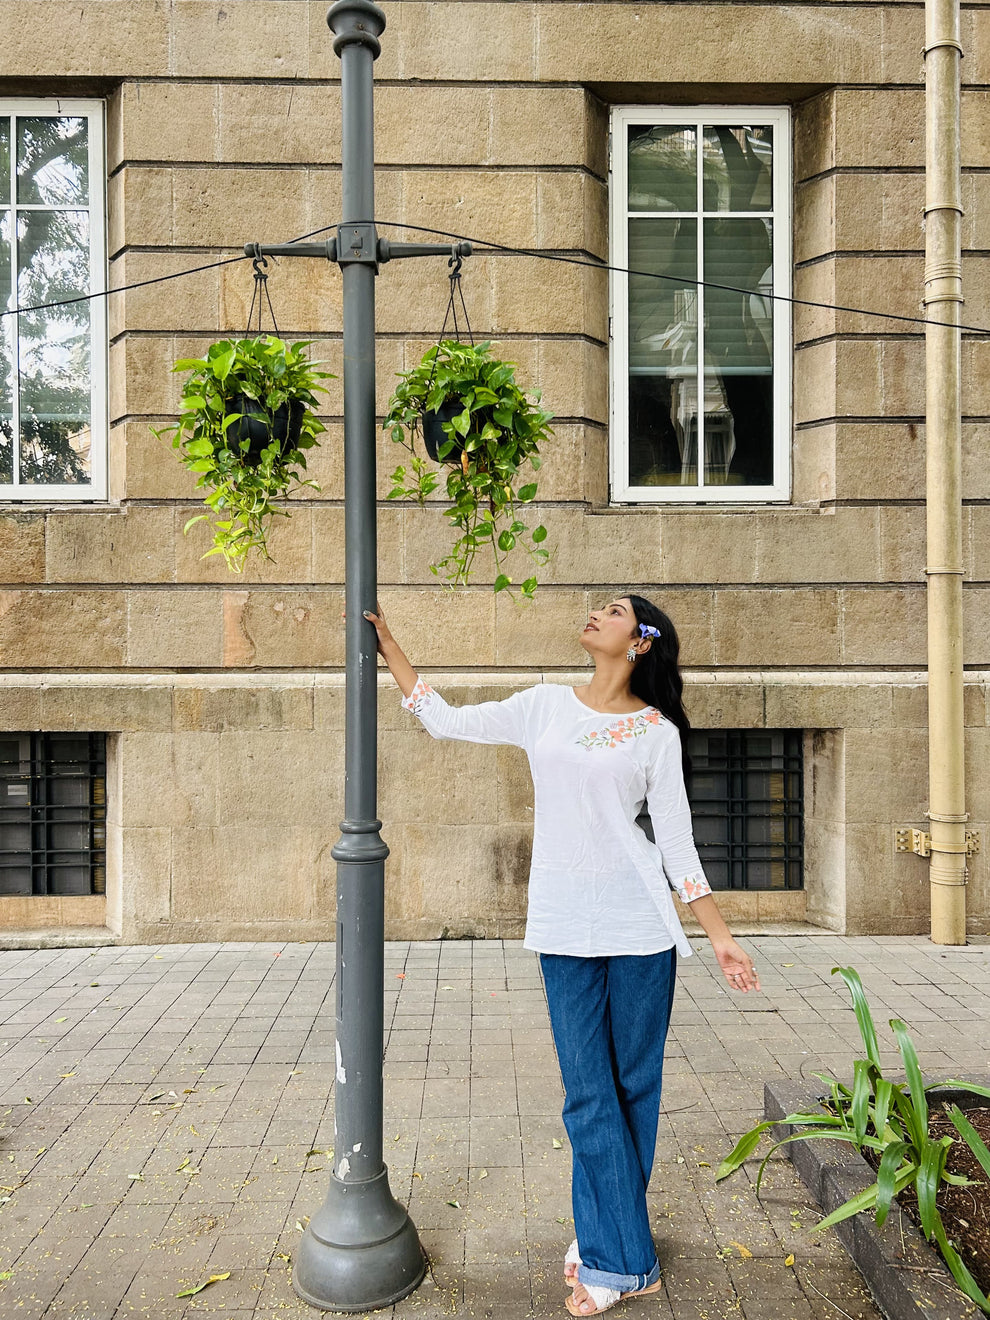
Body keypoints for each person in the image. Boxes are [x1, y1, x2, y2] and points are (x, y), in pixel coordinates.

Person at [362, 594, 760, 1318]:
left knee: (633, 1089)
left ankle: (609, 1250)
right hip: (564, 926)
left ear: (641, 642)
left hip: (641, 929)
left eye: (613, 611)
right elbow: (445, 720)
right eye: (597, 607)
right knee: (588, 1095)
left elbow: (676, 845)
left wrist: (720, 934)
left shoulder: (655, 733)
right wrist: (391, 646)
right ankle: (625, 1256)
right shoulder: (544, 705)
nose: (595, 615)